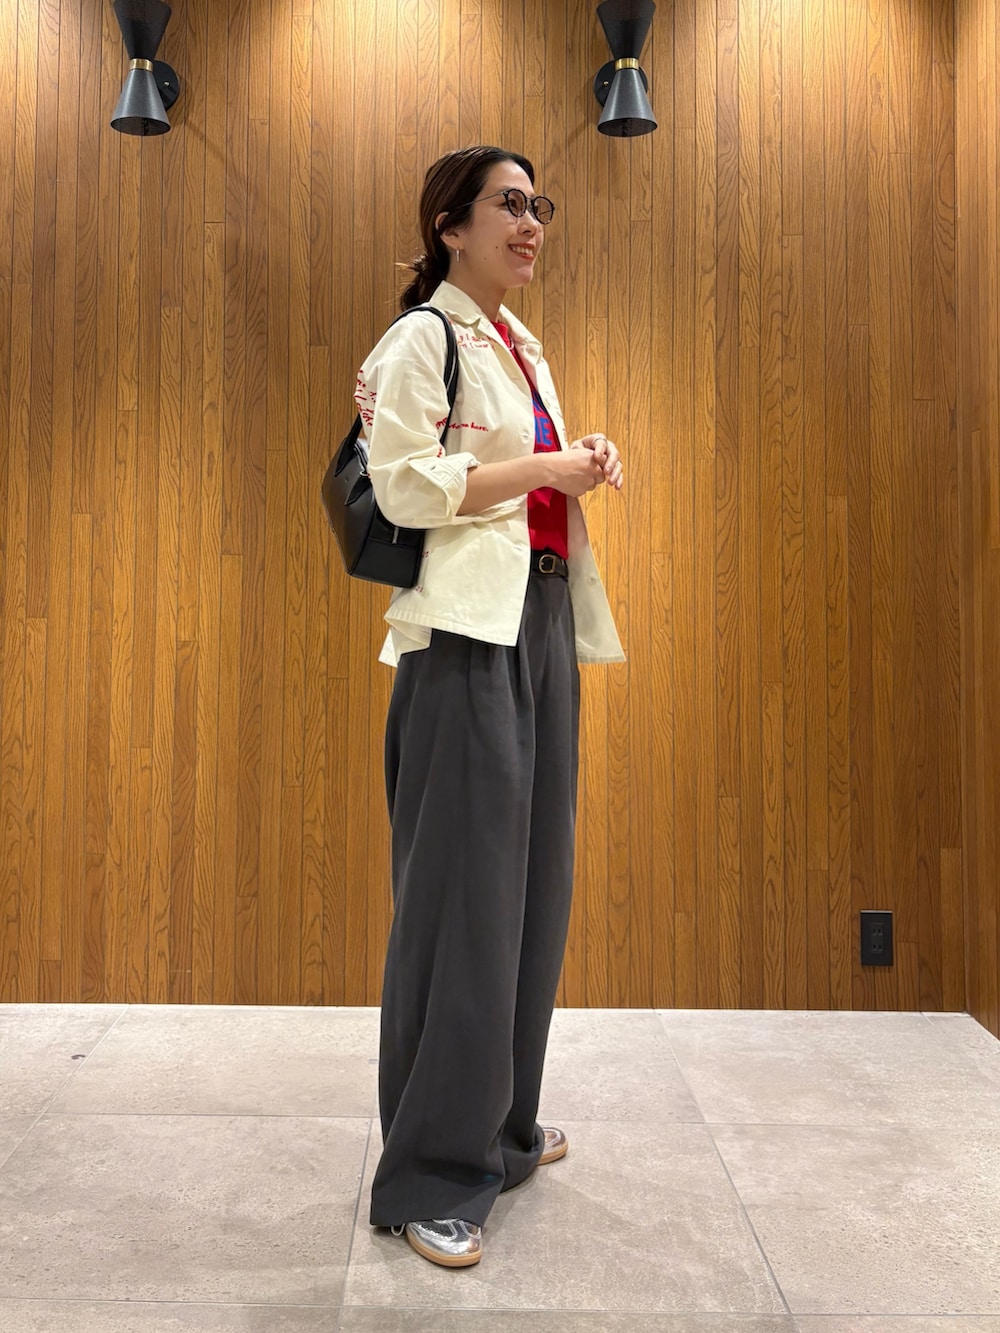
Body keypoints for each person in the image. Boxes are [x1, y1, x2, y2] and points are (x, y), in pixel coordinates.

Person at [355, 145, 625, 1268]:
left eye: (536, 204)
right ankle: (430, 1170)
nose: (530, 222)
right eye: (508, 204)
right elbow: (404, 483)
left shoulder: (518, 342)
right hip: (467, 639)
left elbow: (520, 479)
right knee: (463, 904)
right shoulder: (423, 338)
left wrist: (579, 456)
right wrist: (545, 472)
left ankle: (501, 1128)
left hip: (541, 622)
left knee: (532, 893)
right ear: (450, 224)